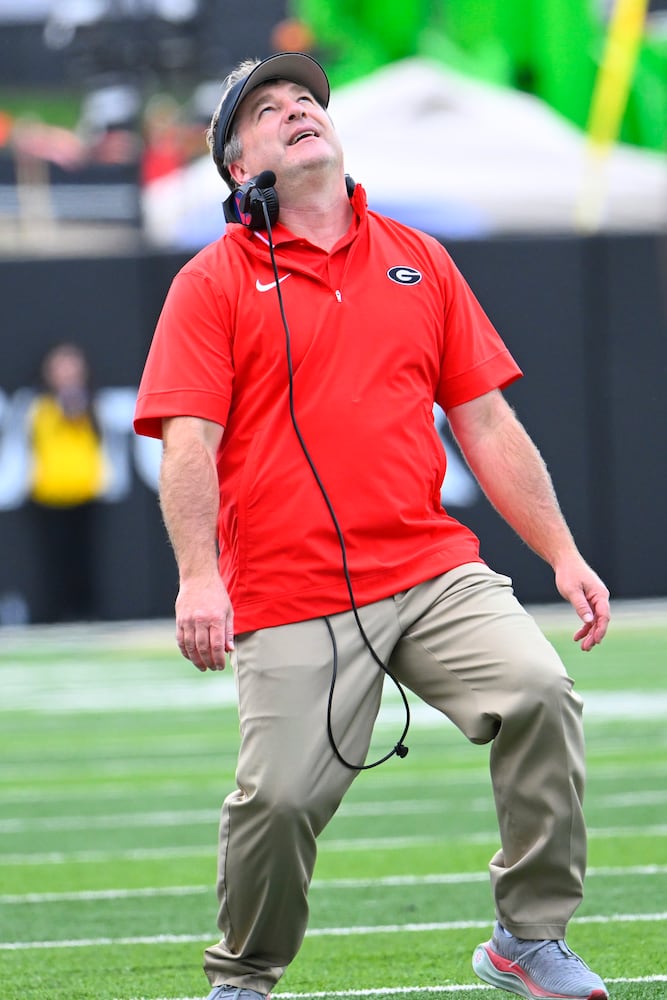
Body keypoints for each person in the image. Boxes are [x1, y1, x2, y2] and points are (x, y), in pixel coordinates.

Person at [133, 52, 611, 1000]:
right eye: (267, 111)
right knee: (274, 803)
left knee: (540, 690)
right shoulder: (210, 280)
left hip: (429, 568)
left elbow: (485, 423)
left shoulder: (419, 257)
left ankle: (527, 935)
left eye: (306, 99)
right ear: (240, 169)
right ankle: (243, 977)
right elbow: (188, 442)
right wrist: (198, 576)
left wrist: (561, 553)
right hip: (289, 585)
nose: (297, 111)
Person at [28, 341, 107, 622]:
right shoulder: (40, 406)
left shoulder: (91, 404)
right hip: (50, 495)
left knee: (84, 557)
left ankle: (86, 611)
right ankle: (55, 613)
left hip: (84, 493)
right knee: (54, 559)